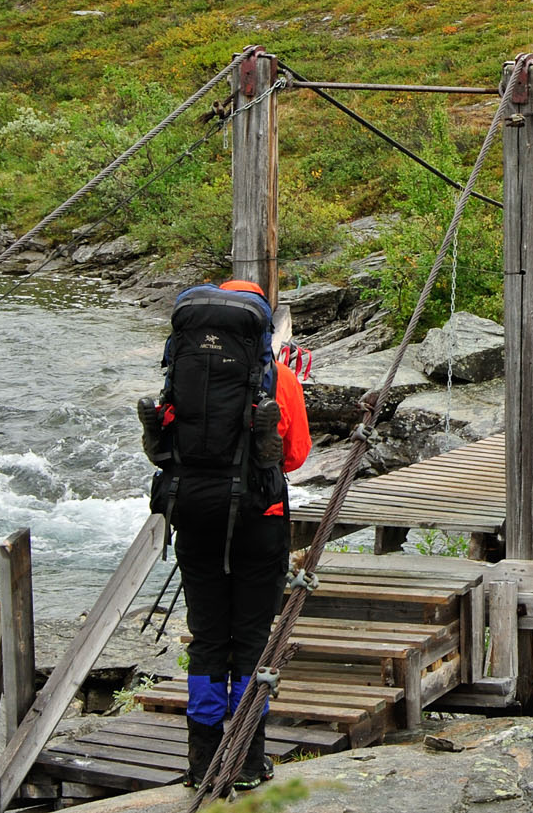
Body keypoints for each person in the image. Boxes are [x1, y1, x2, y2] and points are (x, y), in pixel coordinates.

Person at [137, 279, 310, 789]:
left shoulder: (183, 373)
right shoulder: (278, 378)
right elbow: (297, 457)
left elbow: (170, 441)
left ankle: (201, 762)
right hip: (261, 518)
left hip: (194, 515)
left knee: (208, 641)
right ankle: (247, 762)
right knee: (254, 641)